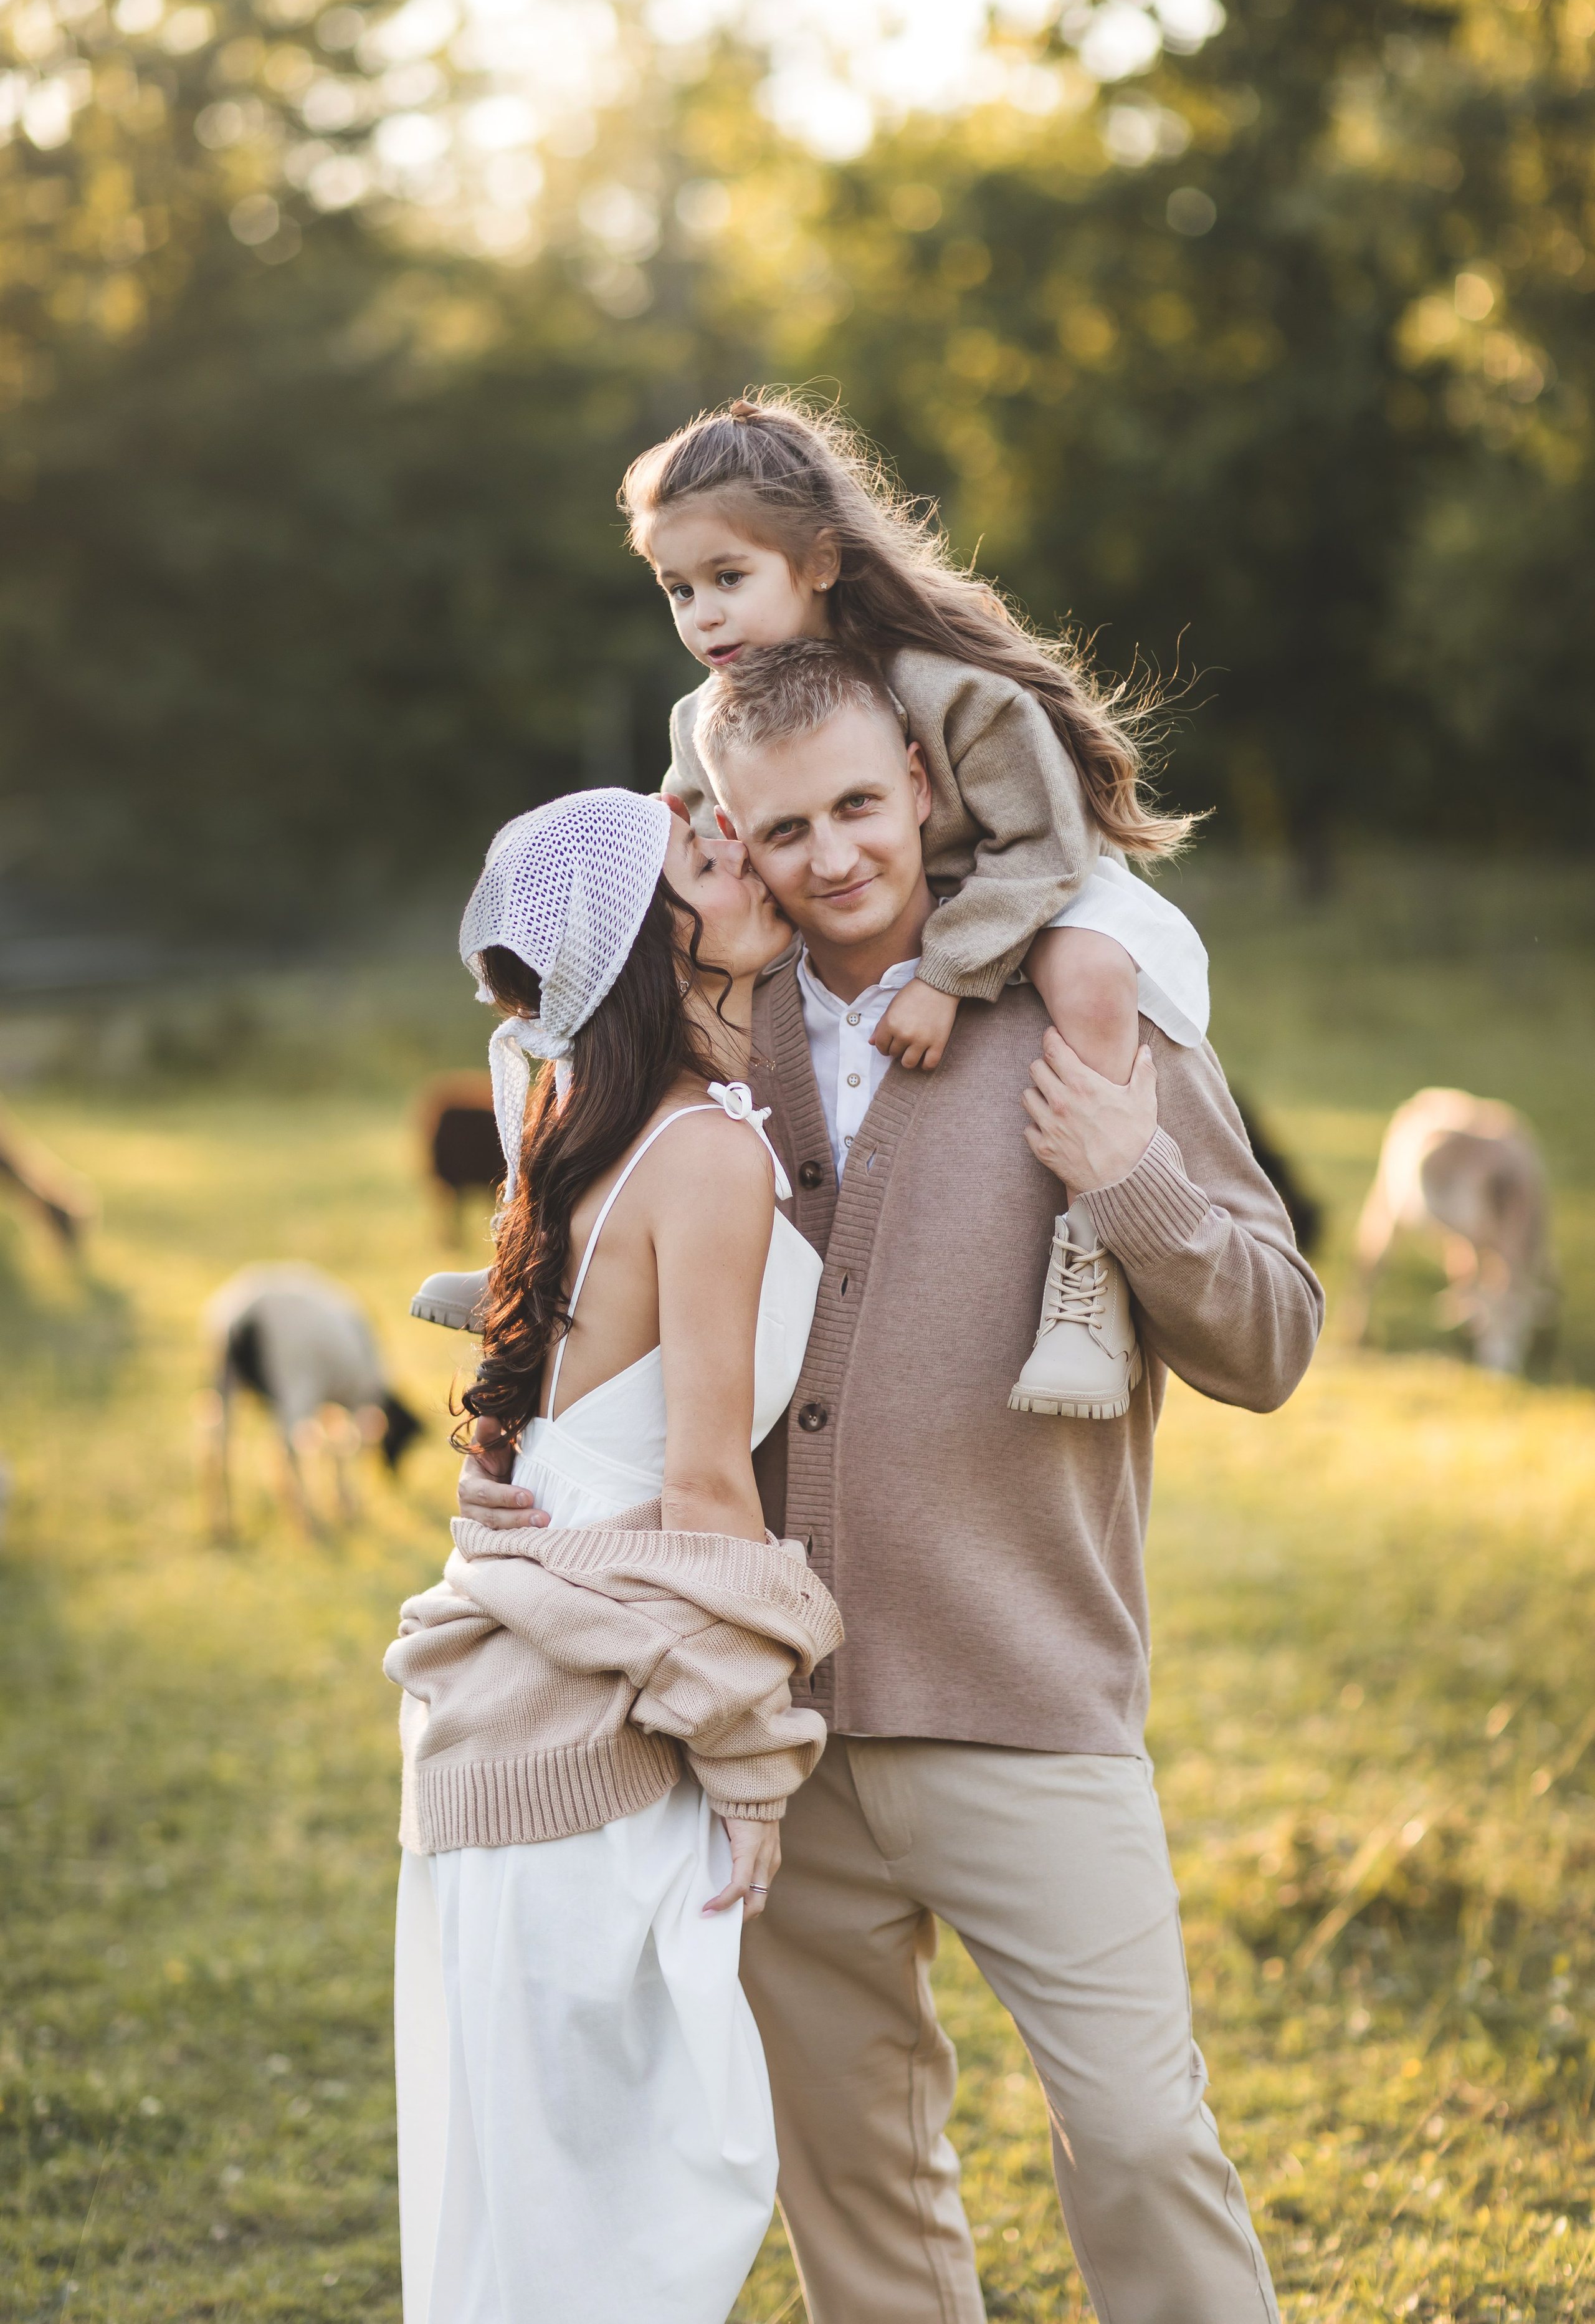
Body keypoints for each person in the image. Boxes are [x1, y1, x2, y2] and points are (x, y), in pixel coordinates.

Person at [460, 649, 1324, 2324]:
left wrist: (1130, 1180)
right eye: (783, 828)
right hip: (774, 1743)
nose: (835, 855)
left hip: (1035, 1699)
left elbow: (1276, 1340)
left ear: (925, 786)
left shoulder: (1088, 1004)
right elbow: (585, 1273)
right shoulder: (706, 1023)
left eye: (862, 803)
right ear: (730, 836)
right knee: (854, 2194)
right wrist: (519, 1462)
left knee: (1144, 2141)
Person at [417, 393, 1209, 1422]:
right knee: (633, 998)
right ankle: (555, 1248)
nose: (704, 615)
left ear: (821, 563)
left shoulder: (951, 689)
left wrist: (946, 974)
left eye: (729, 580)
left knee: (1093, 971)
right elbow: (691, 861)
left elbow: (1049, 841)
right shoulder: (703, 719)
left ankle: (1088, 1280)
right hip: (848, 923)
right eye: (677, 589)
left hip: (1018, 890)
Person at [386, 787, 844, 2324]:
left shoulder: (576, 1122)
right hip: (588, 1729)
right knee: (628, 2218)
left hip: (516, 1705)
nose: (758, 863)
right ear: (660, 937)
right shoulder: (705, 1155)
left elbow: (555, 1435)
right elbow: (709, 1486)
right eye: (712, 859)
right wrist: (750, 1764)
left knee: (531, 2207)